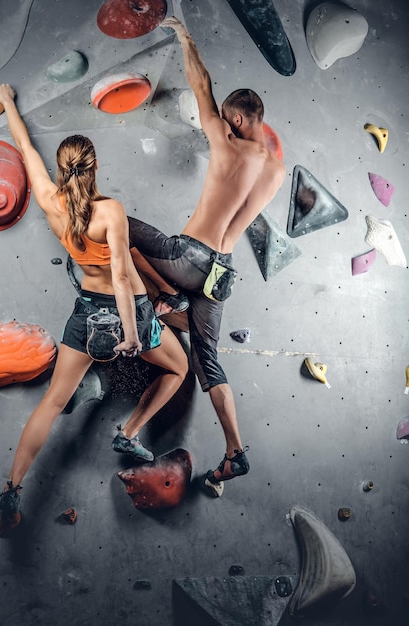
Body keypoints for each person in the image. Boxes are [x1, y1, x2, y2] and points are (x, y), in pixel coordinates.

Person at [0, 84, 188, 534]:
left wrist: (6, 103)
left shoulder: (50, 203)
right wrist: (135, 335)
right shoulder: (110, 211)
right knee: (176, 368)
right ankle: (129, 432)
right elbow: (121, 275)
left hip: (86, 313)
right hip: (129, 310)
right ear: (95, 166)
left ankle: (12, 488)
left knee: (53, 401)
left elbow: (24, 148)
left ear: (62, 170)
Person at [127, 16, 286, 494]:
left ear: (235, 120)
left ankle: (164, 296)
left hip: (189, 256)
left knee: (120, 228)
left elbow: (201, 84)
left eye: (225, 117)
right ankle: (235, 451)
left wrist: (186, 37)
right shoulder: (276, 170)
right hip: (224, 272)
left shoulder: (225, 141)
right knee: (209, 360)